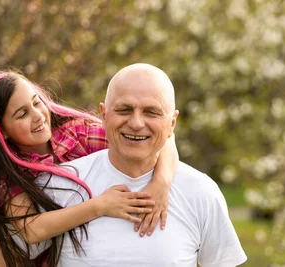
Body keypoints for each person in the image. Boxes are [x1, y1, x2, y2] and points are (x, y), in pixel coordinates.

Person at [36, 63, 248, 266]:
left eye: (151, 112)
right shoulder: (61, 184)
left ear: (172, 123)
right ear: (104, 115)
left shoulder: (201, 192)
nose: (136, 123)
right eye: (124, 110)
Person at [0, 70, 179, 267]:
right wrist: (100, 205)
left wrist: (161, 183)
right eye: (22, 114)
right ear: (1, 130)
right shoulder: (10, 176)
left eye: (36, 102)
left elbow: (162, 138)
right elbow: (33, 229)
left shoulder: (76, 136)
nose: (37, 115)